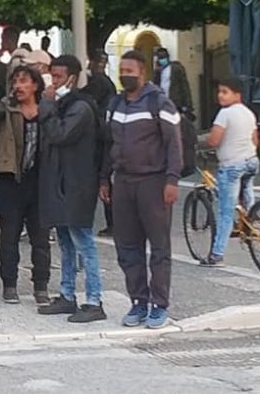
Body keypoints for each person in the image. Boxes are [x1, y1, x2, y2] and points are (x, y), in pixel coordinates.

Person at [101, 50, 182, 329]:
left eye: (130, 71)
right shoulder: (115, 104)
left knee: (159, 247)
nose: (125, 75)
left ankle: (159, 305)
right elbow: (108, 144)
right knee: (127, 246)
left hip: (153, 183)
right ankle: (138, 301)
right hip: (123, 183)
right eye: (122, 70)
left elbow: (173, 144)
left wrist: (172, 180)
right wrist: (104, 179)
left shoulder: (159, 102)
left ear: (142, 73)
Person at [36, 56, 106, 323]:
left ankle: (94, 300)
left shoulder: (80, 108)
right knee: (65, 241)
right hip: (61, 183)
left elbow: (59, 134)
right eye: (51, 76)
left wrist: (47, 104)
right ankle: (67, 294)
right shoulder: (63, 105)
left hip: (77, 184)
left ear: (72, 79)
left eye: (58, 77)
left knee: (83, 241)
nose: (53, 82)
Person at [0, 65, 51, 306]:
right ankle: (9, 285)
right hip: (10, 180)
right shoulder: (7, 109)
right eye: (15, 82)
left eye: (24, 81)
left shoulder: (47, 111)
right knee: (8, 237)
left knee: (40, 239)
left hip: (40, 183)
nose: (19, 86)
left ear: (36, 85)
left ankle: (41, 286)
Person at [200, 77, 259, 267]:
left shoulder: (224, 114)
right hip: (251, 161)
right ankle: (249, 217)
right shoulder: (248, 113)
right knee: (246, 186)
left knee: (225, 211)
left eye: (225, 92)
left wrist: (205, 144)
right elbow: (255, 139)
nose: (220, 95)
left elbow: (214, 140)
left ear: (237, 95)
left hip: (232, 165)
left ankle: (216, 255)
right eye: (219, 91)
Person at [82, 49, 117, 237]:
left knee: (103, 179)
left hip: (101, 133)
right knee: (106, 178)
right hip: (107, 131)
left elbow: (87, 99)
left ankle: (113, 223)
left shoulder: (97, 82)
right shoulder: (108, 82)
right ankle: (113, 222)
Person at [153, 47, 194, 115]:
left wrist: (187, 104)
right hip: (162, 101)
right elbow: (155, 85)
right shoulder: (158, 71)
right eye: (160, 57)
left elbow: (184, 86)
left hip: (175, 102)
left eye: (163, 57)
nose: (162, 59)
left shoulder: (176, 68)